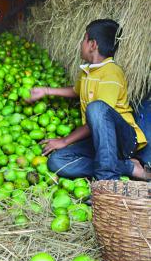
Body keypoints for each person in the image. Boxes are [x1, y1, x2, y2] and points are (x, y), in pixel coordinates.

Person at [26, 19, 149, 181]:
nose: (80, 44)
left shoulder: (111, 73)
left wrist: (64, 140)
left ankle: (108, 181)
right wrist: (46, 91)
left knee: (96, 108)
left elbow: (101, 116)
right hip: (98, 141)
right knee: (57, 162)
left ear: (93, 45)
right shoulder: (87, 73)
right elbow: (76, 91)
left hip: (122, 140)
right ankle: (127, 167)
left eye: (84, 39)